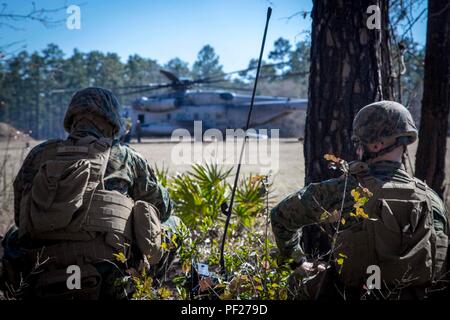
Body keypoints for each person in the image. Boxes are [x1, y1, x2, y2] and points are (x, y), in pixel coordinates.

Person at [0, 87, 183, 300]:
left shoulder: (39, 154)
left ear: (72, 119)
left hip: (41, 274)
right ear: (112, 121)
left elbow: (20, 220)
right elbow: (163, 208)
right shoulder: (125, 157)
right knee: (174, 225)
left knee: (12, 234)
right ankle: (146, 291)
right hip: (111, 278)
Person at [271, 101, 449, 300]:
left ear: (376, 145)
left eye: (358, 143)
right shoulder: (432, 199)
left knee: (296, 283)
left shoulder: (343, 190)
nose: (357, 150)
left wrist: (297, 261)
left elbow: (280, 216)